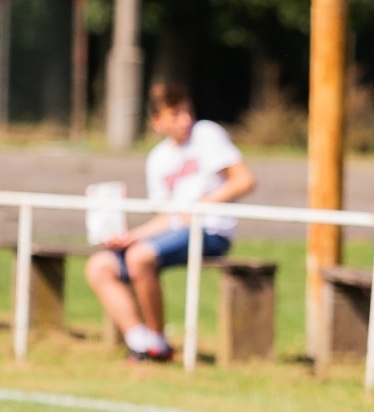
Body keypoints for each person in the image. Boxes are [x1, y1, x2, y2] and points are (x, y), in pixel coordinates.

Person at [84, 82, 255, 362]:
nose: (185, 120)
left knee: (139, 258)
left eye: (188, 111)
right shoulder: (158, 158)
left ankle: (158, 342)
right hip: (176, 232)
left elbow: (244, 180)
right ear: (156, 121)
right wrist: (131, 236)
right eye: (175, 115)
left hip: (211, 230)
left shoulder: (206, 134)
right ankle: (140, 342)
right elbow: (167, 217)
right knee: (99, 266)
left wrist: (200, 206)